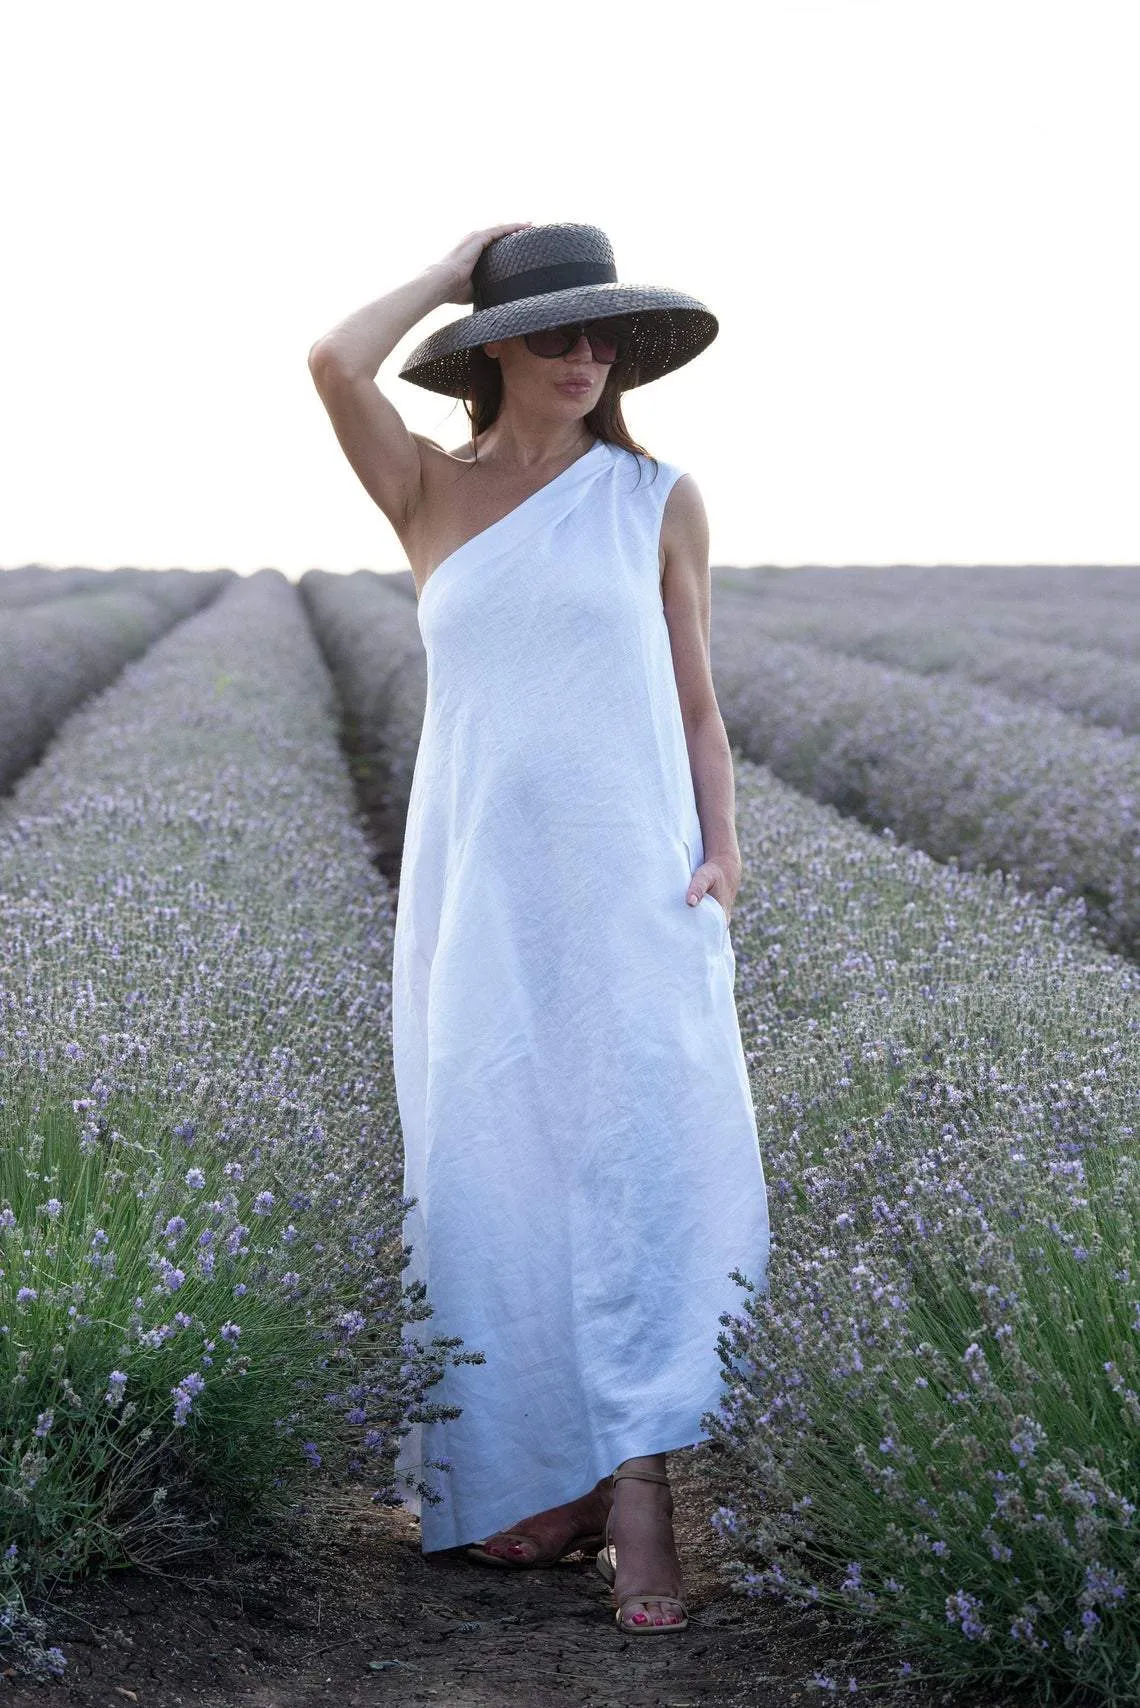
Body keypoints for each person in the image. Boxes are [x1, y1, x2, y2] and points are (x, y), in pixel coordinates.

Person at [307, 222, 770, 1636]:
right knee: (495, 1168)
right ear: (491, 348)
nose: (586, 356)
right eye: (557, 331)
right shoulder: (427, 494)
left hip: (630, 882)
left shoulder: (654, 497)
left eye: (602, 337)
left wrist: (723, 856)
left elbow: (698, 704)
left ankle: (641, 1506)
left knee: (637, 1170)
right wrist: (455, 268)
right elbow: (332, 359)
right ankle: (533, 1479)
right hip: (482, 895)